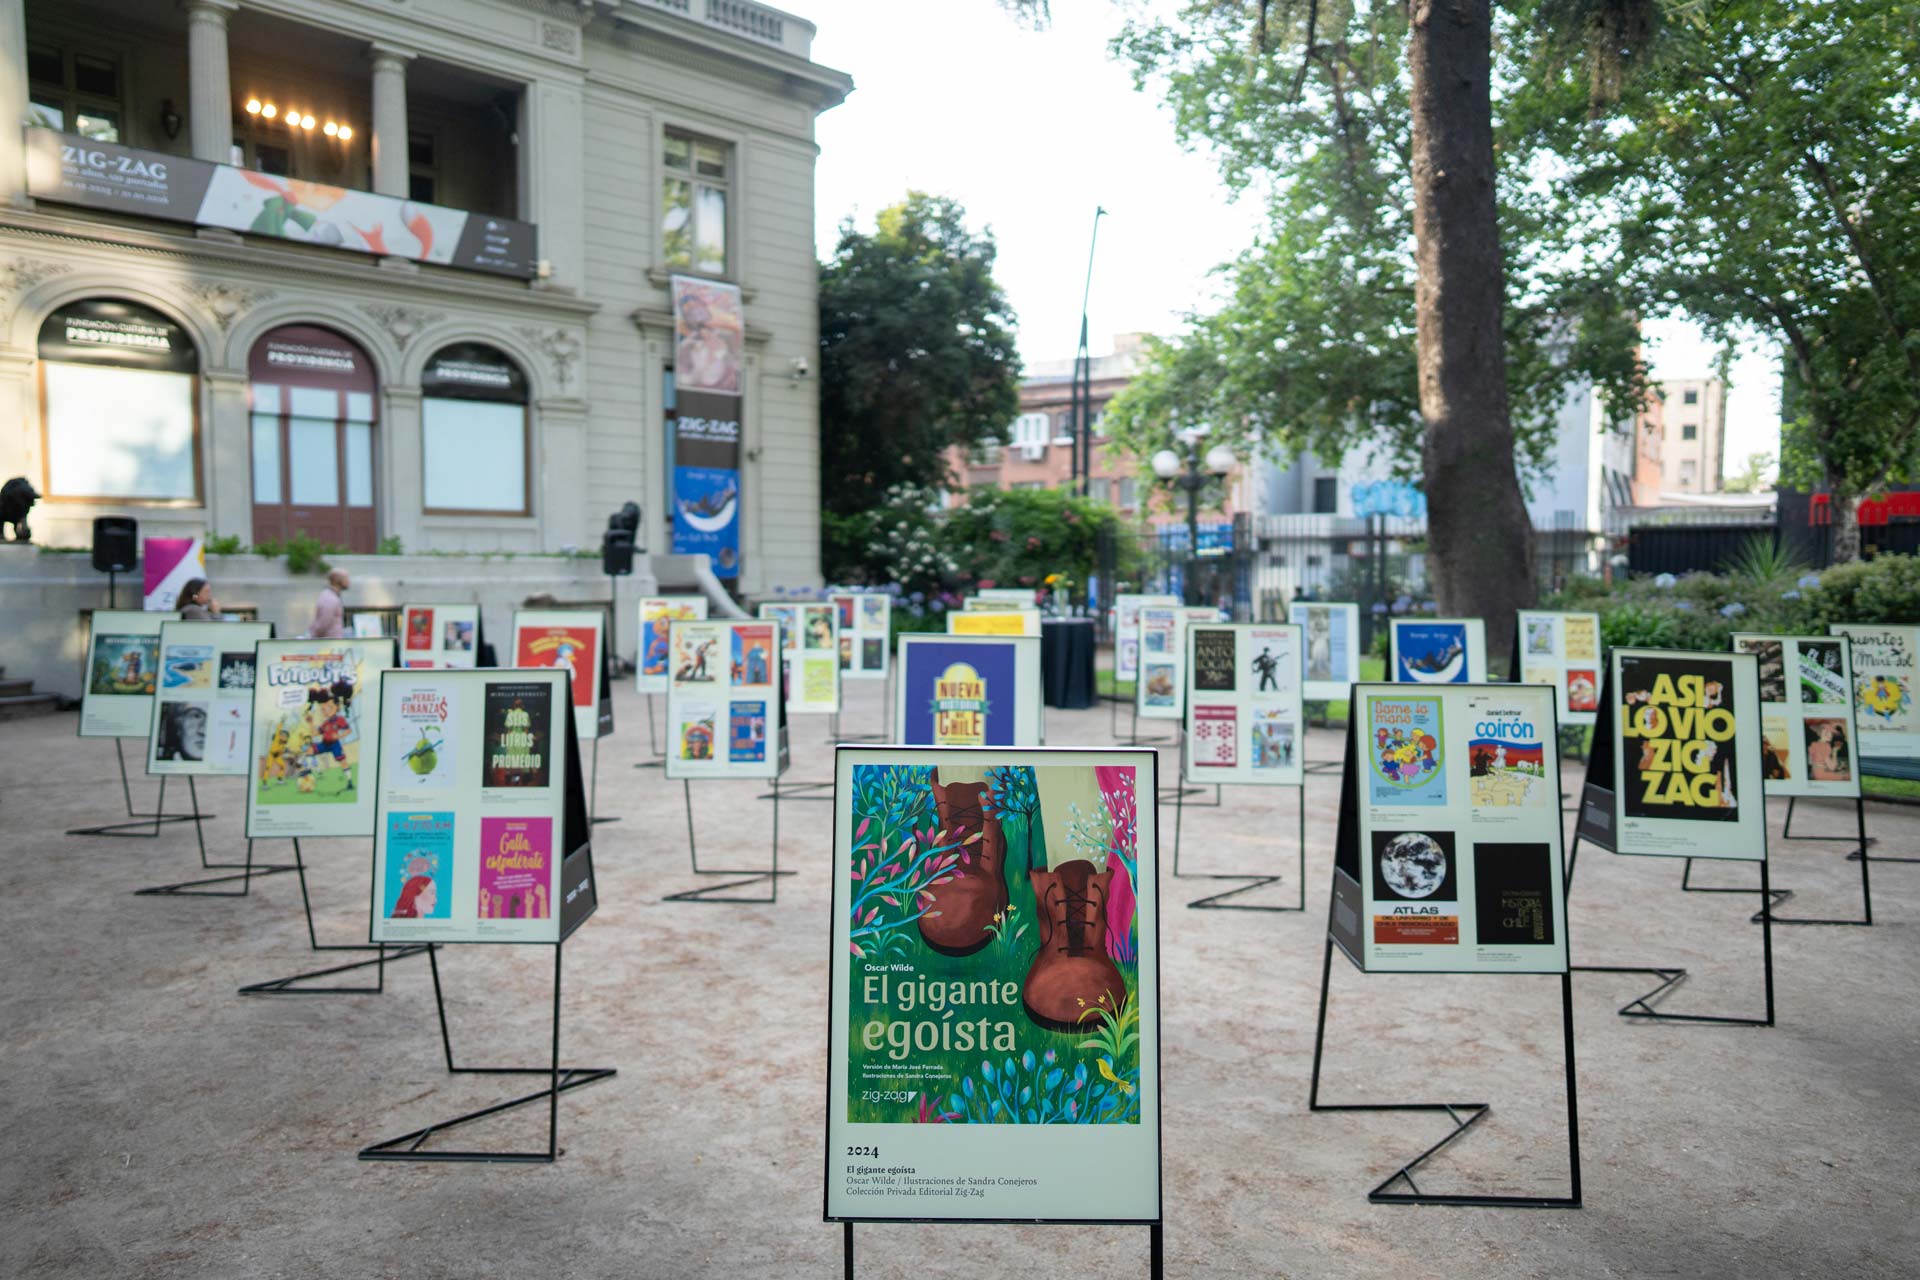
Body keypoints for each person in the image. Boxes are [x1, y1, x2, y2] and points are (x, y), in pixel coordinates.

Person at [308, 568, 350, 638]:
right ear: (338, 580)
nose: (348, 581)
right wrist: (313, 638)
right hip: (328, 642)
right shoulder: (330, 598)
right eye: (346, 578)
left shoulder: (332, 596)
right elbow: (323, 623)